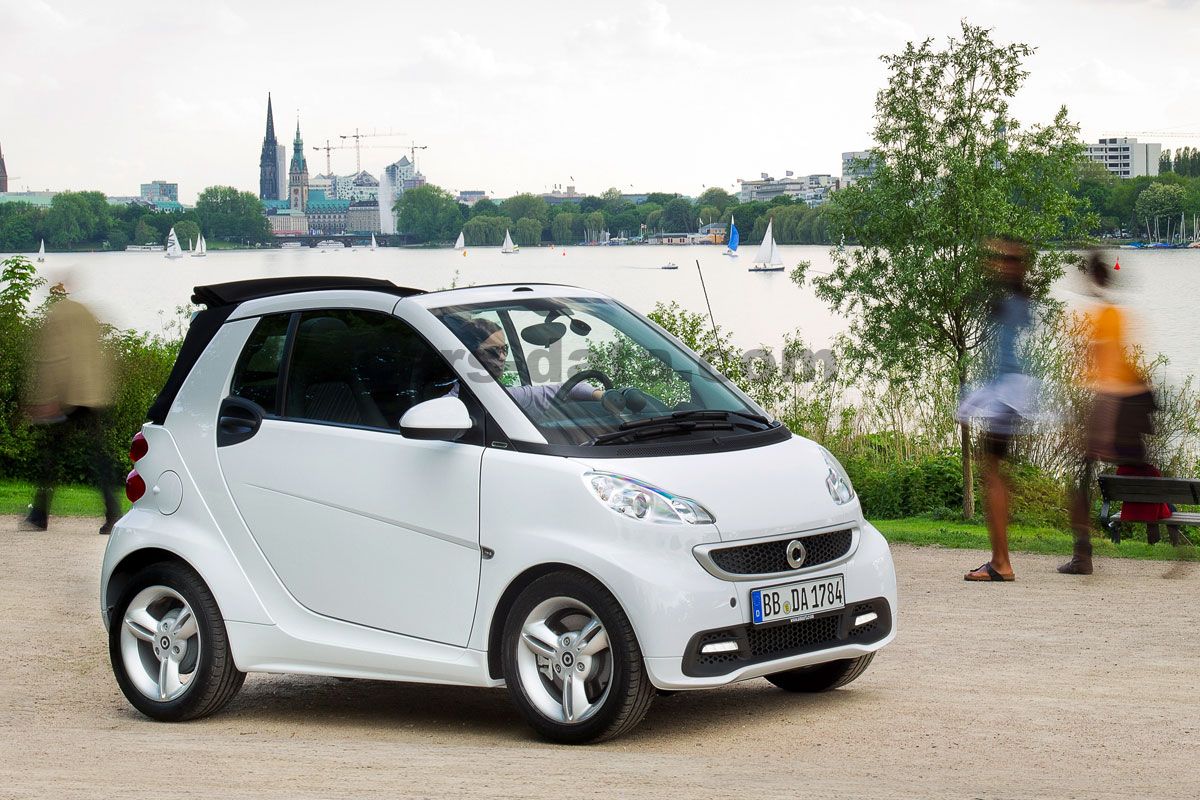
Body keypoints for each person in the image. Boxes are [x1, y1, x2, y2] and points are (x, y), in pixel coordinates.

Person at [1059, 252, 1158, 574]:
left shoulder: (1104, 316)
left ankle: (1082, 555)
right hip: (1133, 403)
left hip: (1117, 405)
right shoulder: (1114, 312)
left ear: (1092, 276)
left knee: (1081, 480)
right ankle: (1083, 553)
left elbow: (1111, 376)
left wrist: (1102, 429)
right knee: (1136, 471)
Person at [959, 237, 1038, 582]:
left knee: (992, 475)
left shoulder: (1014, 300)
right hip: (1006, 393)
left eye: (1002, 260)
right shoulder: (1013, 299)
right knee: (994, 472)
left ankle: (1002, 563)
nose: (994, 263)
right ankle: (999, 559)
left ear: (1015, 266)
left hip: (1007, 395)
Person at [19, 276, 121, 535]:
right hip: (92, 392)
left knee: (51, 455)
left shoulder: (55, 316)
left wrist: (49, 398)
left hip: (70, 395)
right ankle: (113, 513)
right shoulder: (84, 312)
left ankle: (39, 515)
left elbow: (55, 359)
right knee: (98, 456)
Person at [447, 316, 607, 414]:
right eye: (494, 351)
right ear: (470, 354)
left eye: (505, 349)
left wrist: (606, 397)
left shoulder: (504, 396)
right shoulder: (451, 403)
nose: (502, 357)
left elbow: (565, 388)